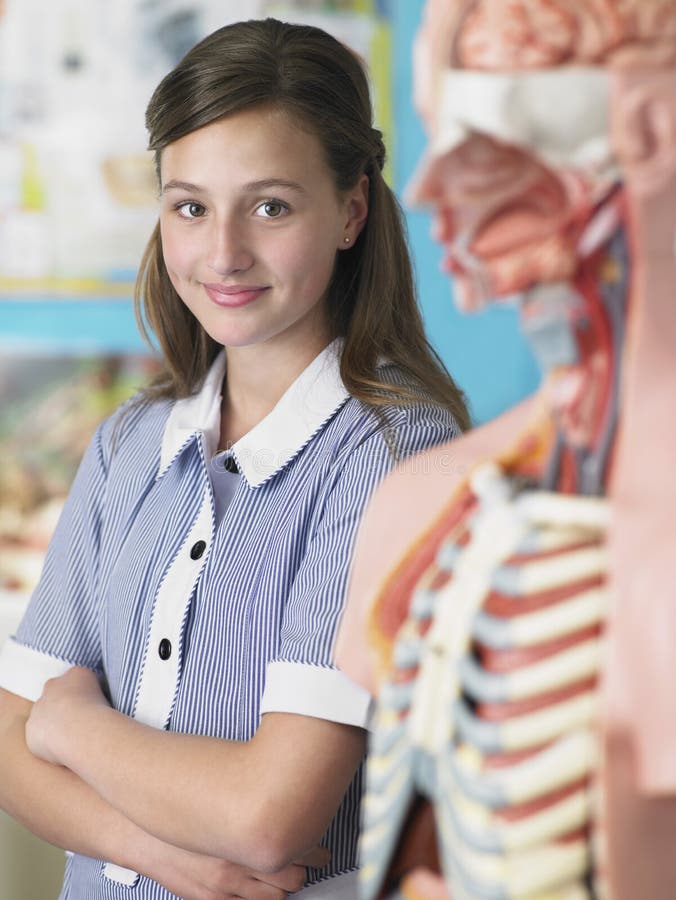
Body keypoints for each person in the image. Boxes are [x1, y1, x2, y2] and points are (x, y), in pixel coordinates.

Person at [0, 17, 469, 900]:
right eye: (190, 206)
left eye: (270, 206)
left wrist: (69, 727)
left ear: (352, 212)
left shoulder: (395, 457)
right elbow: (5, 739)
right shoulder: (129, 444)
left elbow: (268, 817)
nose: (223, 254)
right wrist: (171, 859)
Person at [334, 1, 676, 898]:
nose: (441, 192)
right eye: (441, 138)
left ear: (655, 129)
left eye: (500, 134)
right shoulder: (419, 506)